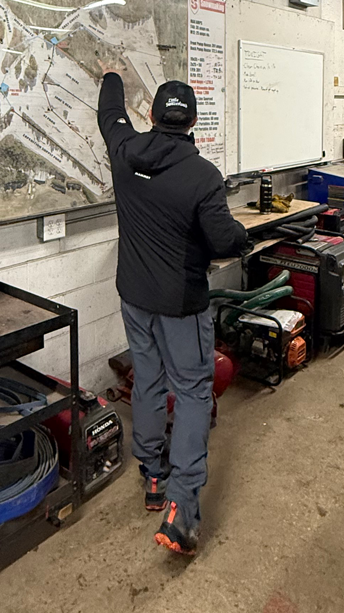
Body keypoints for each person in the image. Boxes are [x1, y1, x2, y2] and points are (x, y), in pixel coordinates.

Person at [98, 71, 248, 556]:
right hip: (181, 304)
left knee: (148, 378)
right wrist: (243, 236)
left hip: (134, 297)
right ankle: (182, 506)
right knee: (191, 391)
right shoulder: (203, 176)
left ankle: (153, 475)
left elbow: (109, 114)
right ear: (195, 123)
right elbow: (225, 240)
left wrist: (113, 78)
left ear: (151, 116)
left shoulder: (125, 151)